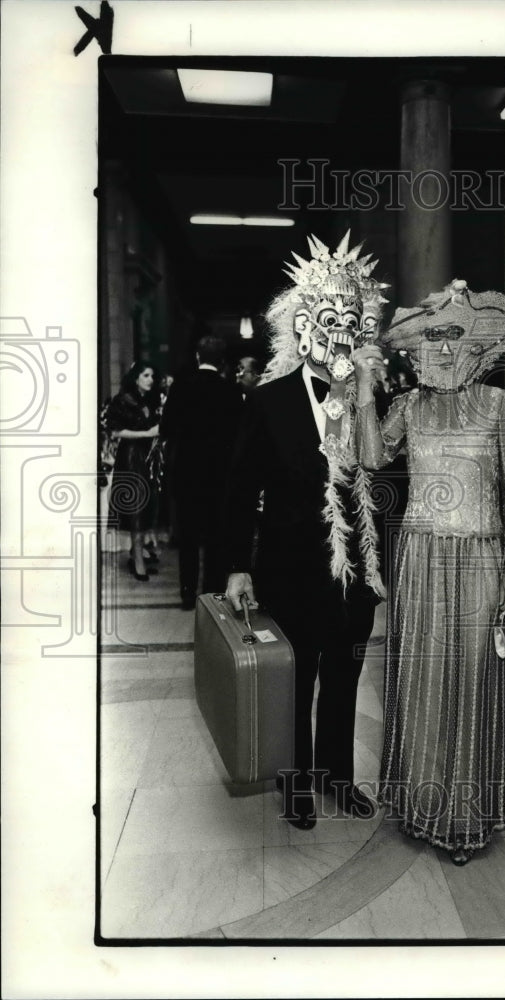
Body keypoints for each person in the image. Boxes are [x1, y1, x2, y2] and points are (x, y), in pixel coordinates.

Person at [354, 280, 505, 866]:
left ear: (476, 343)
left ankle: (466, 813)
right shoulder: (409, 406)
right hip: (420, 560)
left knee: (474, 678)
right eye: (433, 337)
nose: (444, 347)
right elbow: (372, 457)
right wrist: (361, 388)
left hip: (481, 556)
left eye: (455, 335)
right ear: (419, 349)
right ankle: (422, 805)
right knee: (423, 682)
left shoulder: (500, 406)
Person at [223, 231, 389, 831]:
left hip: (358, 570)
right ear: (302, 327)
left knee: (345, 674)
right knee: (297, 678)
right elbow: (239, 491)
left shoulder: (375, 398)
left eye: (352, 319)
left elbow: (388, 482)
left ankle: (337, 778)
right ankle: (295, 785)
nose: (340, 331)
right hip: (291, 565)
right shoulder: (267, 403)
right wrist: (238, 564)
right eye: (328, 318)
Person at [161, 336, 243, 610]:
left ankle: (186, 591)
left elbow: (167, 428)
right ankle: (210, 591)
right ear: (221, 361)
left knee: (188, 537)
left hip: (187, 473)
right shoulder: (229, 390)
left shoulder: (182, 387)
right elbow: (238, 435)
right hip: (219, 475)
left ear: (198, 356)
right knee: (214, 537)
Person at [106, 361, 161, 581]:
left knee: (147, 506)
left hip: (147, 458)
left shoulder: (148, 399)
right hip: (131, 458)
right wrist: (147, 434)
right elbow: (116, 432)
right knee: (136, 508)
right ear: (136, 377)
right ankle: (138, 558)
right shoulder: (123, 400)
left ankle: (137, 553)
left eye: (152, 376)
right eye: (146, 375)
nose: (151, 380)